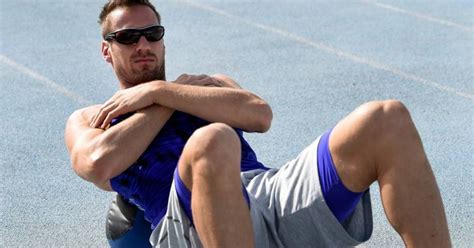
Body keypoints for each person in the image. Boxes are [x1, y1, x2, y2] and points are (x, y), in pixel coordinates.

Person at [64, 0, 451, 247]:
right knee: (213, 139)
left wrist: (164, 91)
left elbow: (258, 115)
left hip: (265, 196)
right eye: (128, 37)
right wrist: (159, 99)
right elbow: (99, 162)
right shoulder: (90, 118)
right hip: (189, 225)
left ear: (163, 41)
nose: (143, 45)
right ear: (106, 50)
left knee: (386, 118)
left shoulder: (201, 85)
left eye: (152, 34)